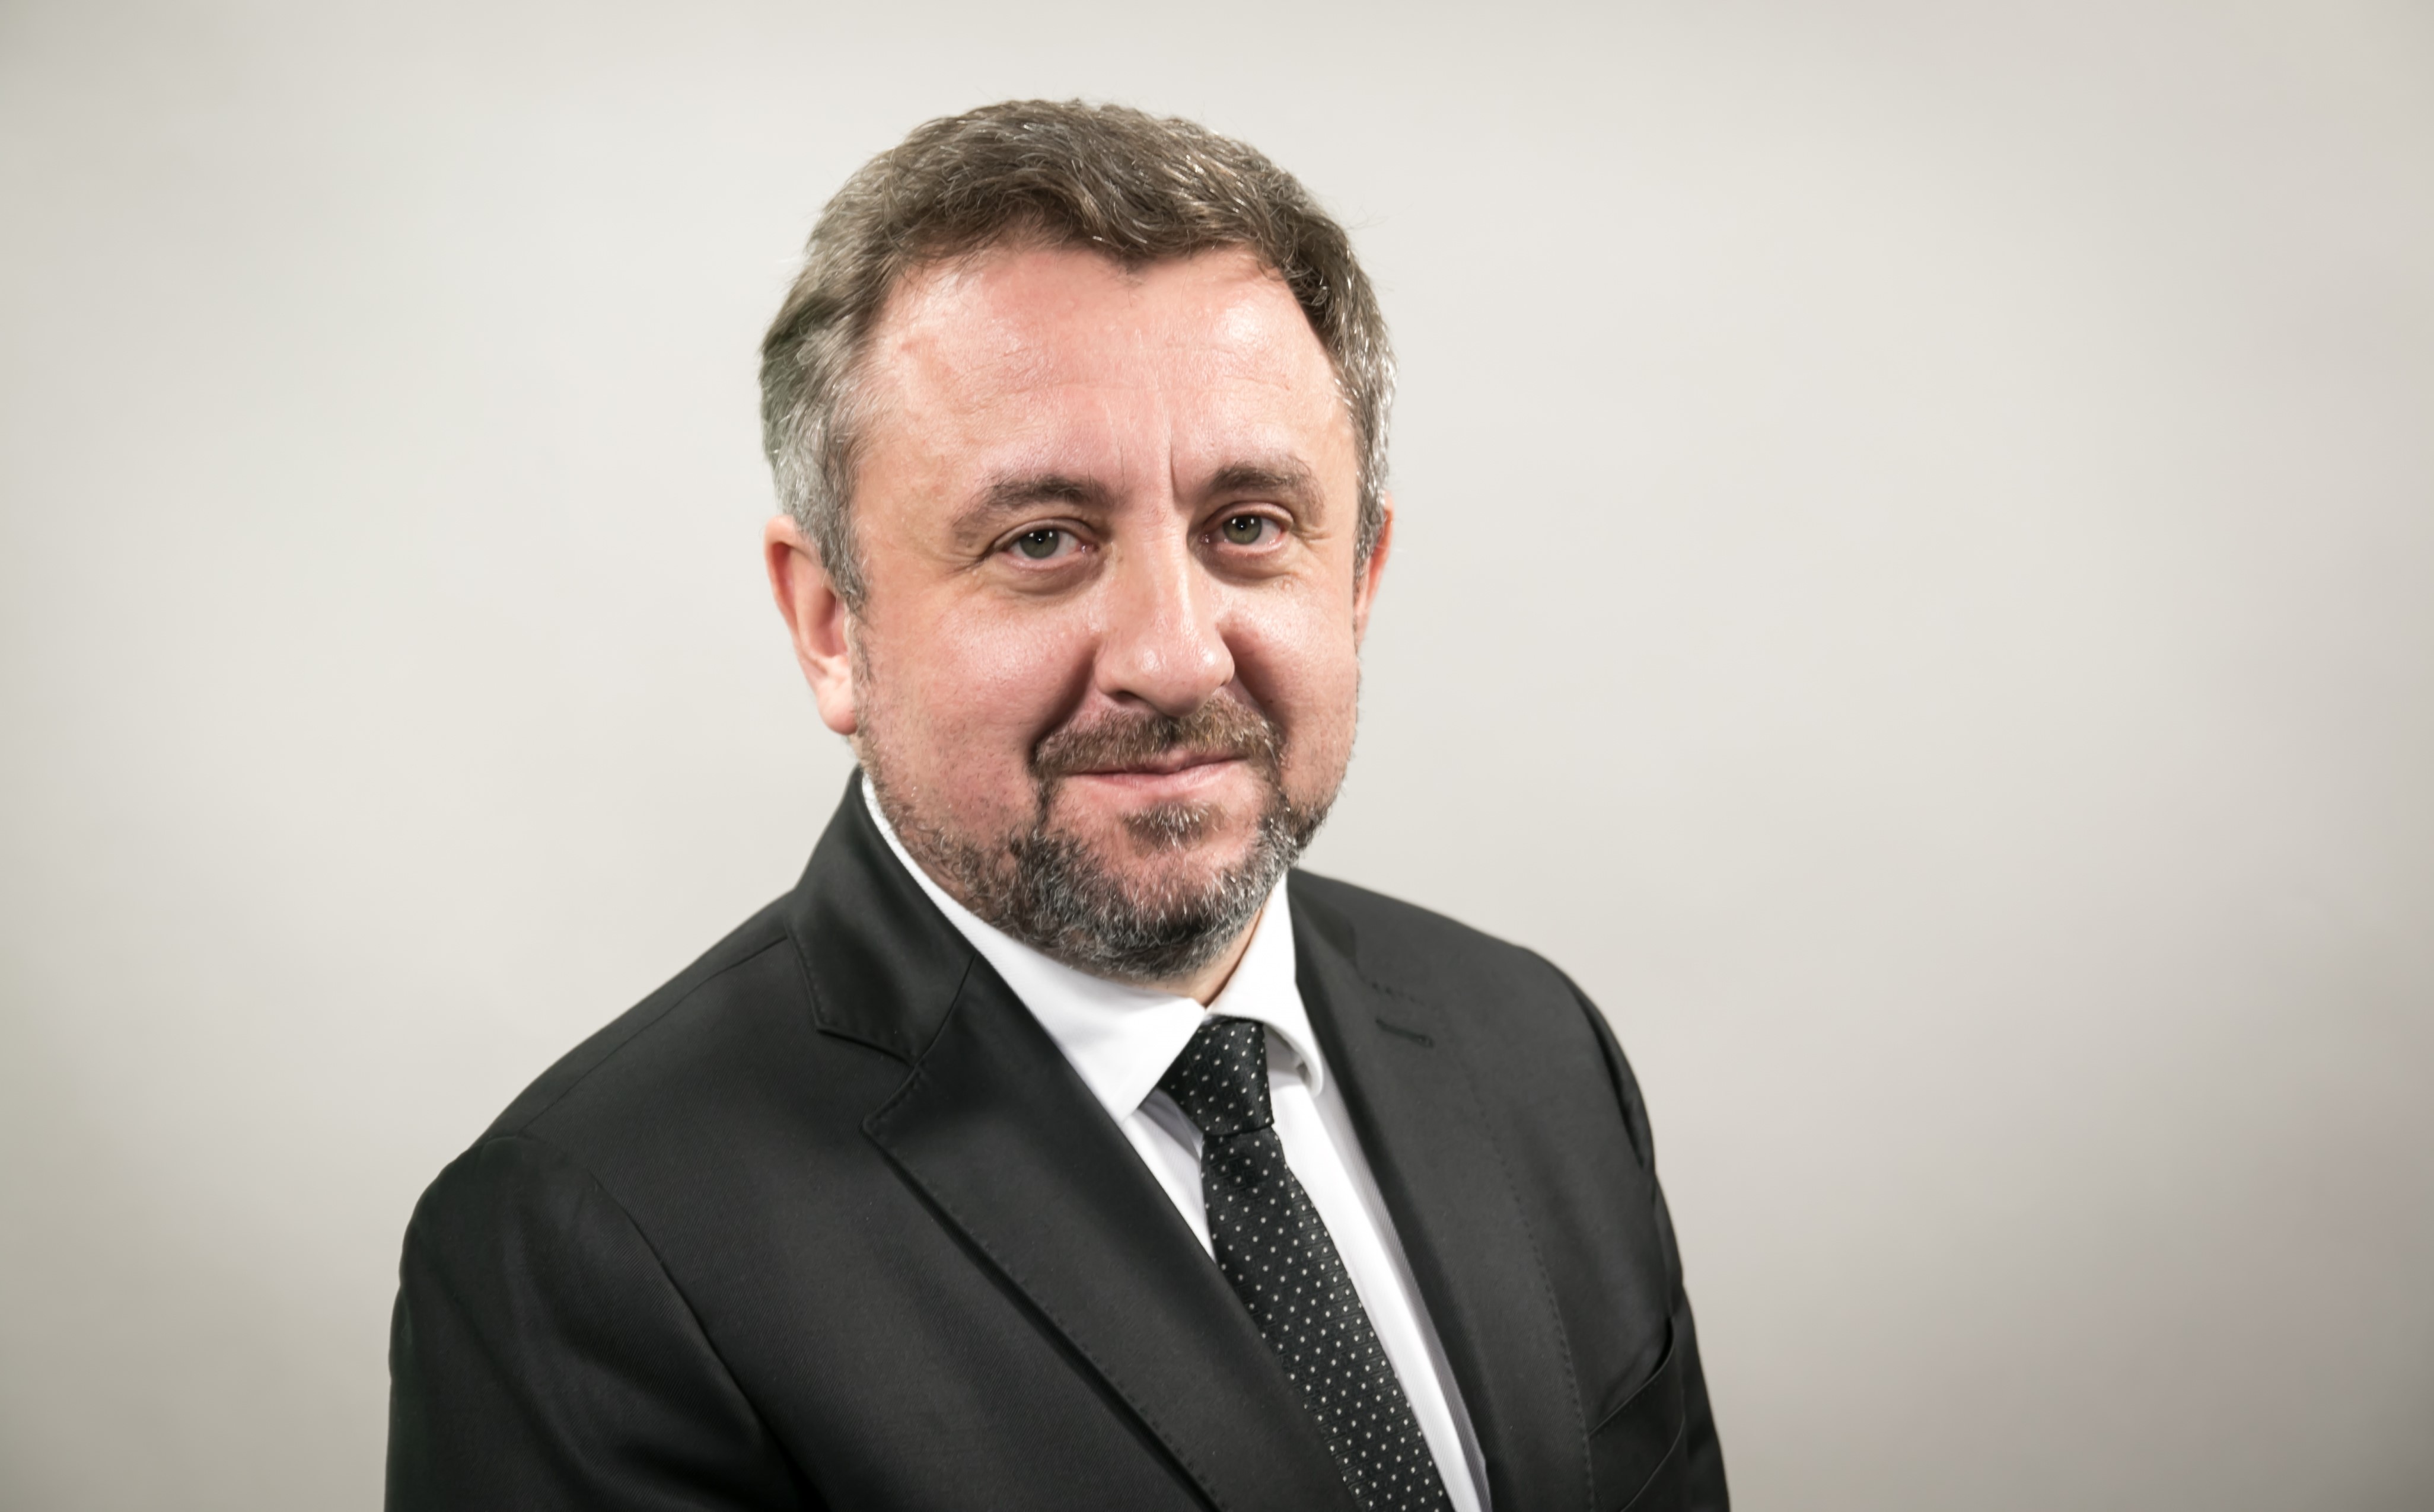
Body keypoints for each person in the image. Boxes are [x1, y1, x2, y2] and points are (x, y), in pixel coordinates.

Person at [385, 99, 1726, 1512]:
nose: (1174, 657)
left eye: (1249, 526)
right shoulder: (592, 1247)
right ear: (831, 624)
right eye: (1043, 542)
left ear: (1360, 581)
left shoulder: (1536, 1050)